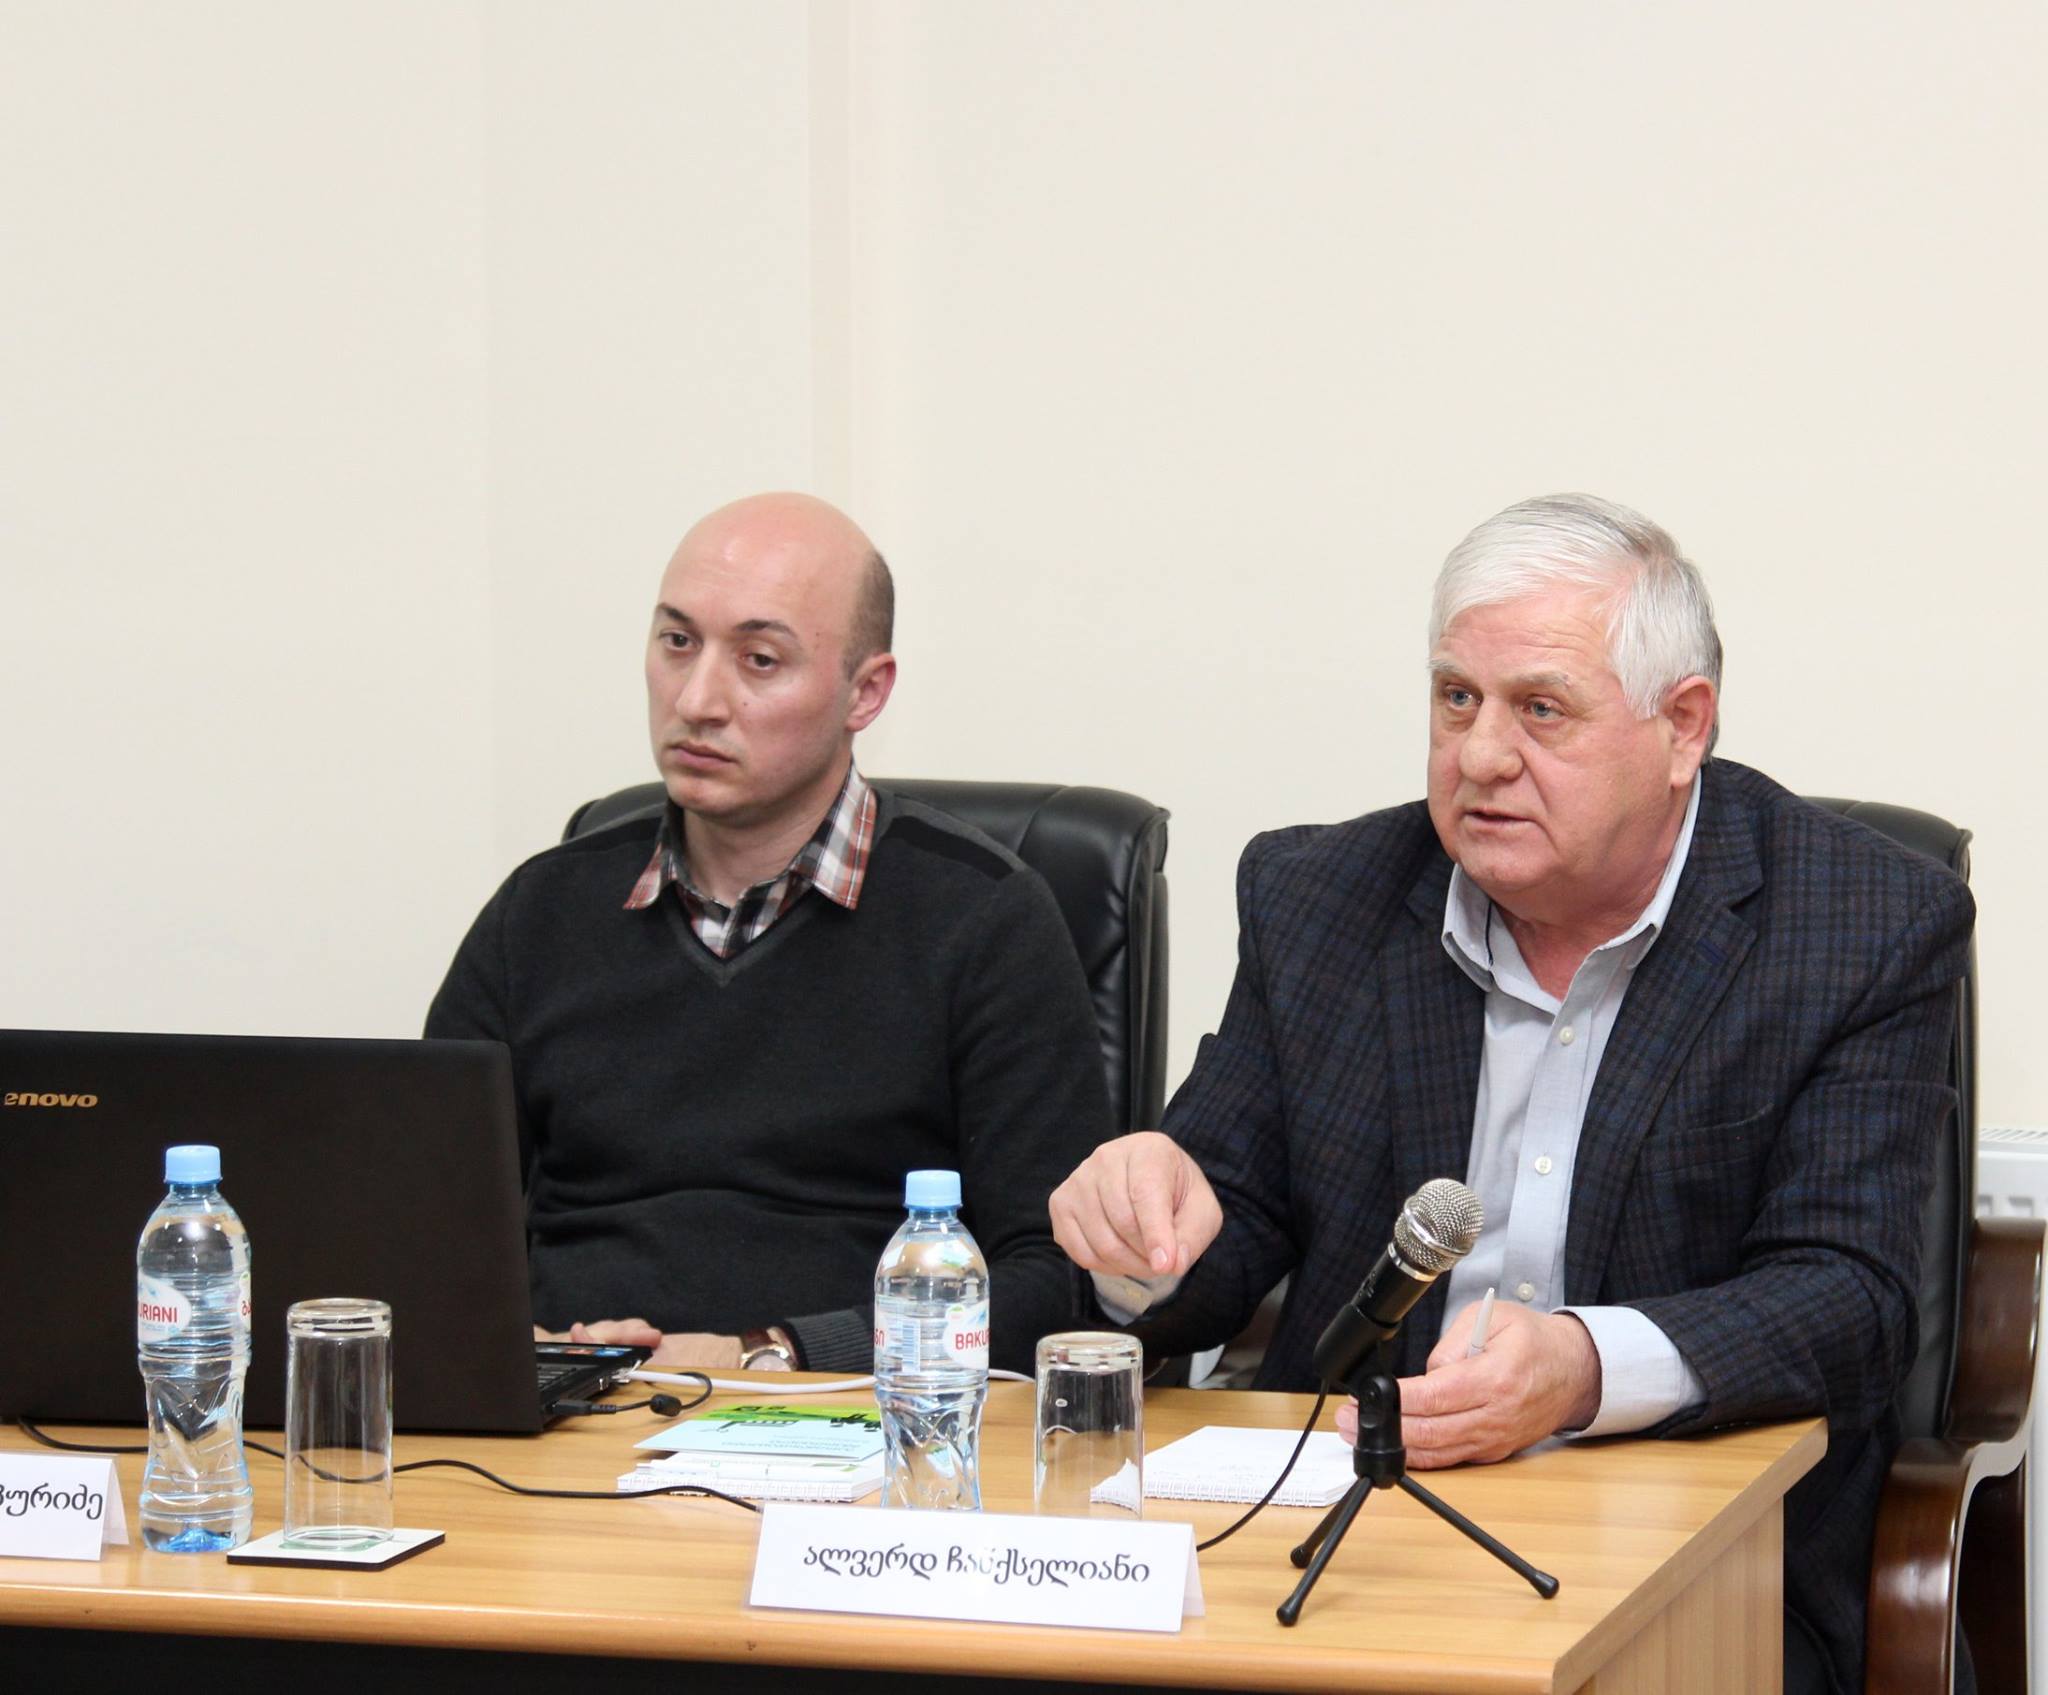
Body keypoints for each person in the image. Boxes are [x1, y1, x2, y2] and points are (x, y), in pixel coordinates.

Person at [1049, 493, 1972, 1695]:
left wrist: (1582, 1368)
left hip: (1692, 1552)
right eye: (1455, 699)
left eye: (1540, 708)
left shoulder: (1857, 923)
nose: (1479, 755)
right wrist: (1139, 1235)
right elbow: (1222, 1218)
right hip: (1344, 1538)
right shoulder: (1319, 896)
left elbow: (1846, 1295)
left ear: (1681, 726)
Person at [429, 492, 1114, 1376]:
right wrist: (511, 1348)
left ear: (865, 691)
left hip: (843, 1414)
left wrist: (768, 1352)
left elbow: (1058, 1280)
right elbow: (419, 1223)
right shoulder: (541, 911)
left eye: (759, 659)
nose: (698, 699)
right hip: (573, 1403)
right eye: (678, 642)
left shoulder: (985, 919)